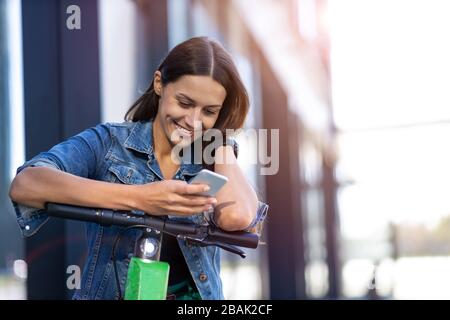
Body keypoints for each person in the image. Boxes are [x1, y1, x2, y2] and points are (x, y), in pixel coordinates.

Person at [8, 36, 268, 300]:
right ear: (159, 84)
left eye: (209, 111)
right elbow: (27, 185)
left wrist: (221, 141)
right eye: (184, 103)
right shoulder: (109, 143)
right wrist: (141, 198)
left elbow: (236, 217)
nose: (193, 121)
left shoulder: (213, 158)